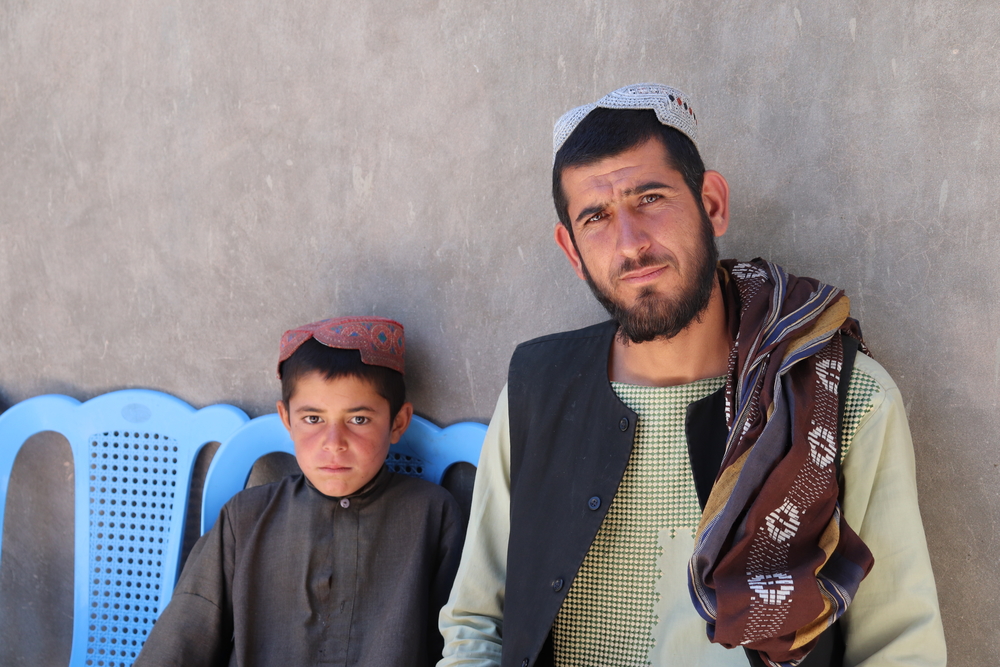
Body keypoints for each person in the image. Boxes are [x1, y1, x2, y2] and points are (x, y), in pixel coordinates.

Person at [438, 84, 946, 667]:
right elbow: (476, 622)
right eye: (597, 217)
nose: (631, 244)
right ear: (572, 249)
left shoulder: (836, 395)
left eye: (650, 198)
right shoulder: (536, 389)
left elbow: (901, 647)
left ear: (712, 203)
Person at [136, 316, 464, 667]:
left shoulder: (432, 514)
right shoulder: (245, 518)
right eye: (313, 419)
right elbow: (181, 640)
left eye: (358, 419)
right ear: (287, 419)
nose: (334, 444)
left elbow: (460, 643)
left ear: (397, 423)